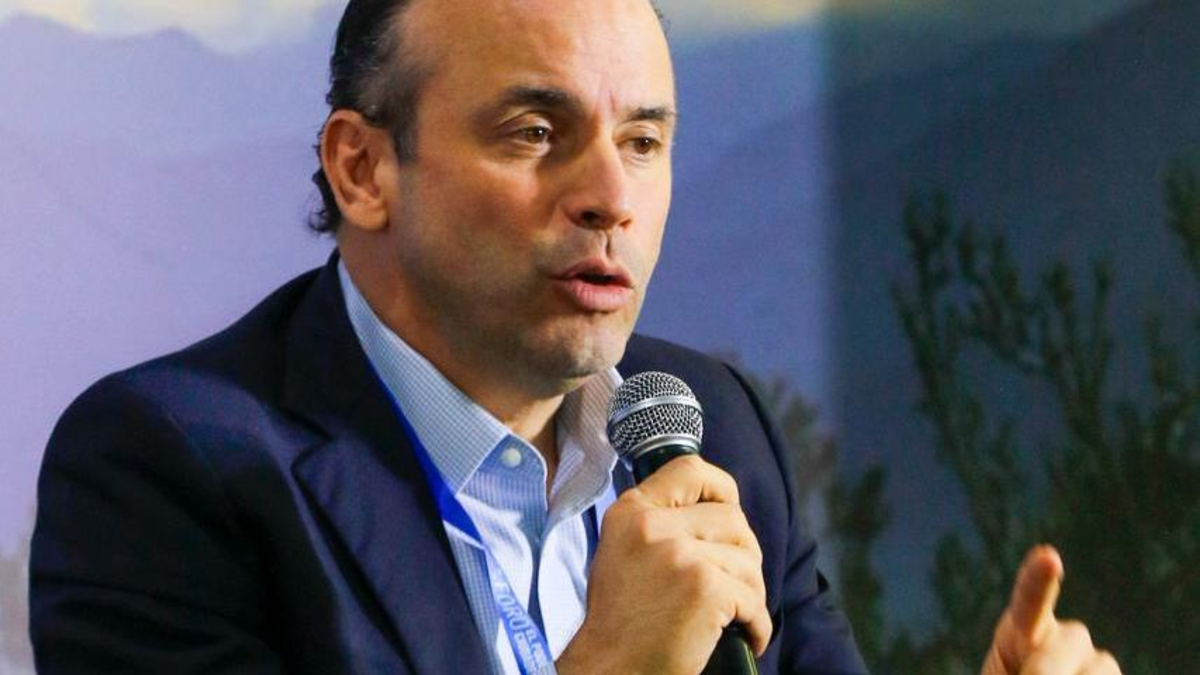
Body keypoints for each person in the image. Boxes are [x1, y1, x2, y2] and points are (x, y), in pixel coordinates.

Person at [29, 1, 1122, 673]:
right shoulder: (168, 470)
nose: (611, 196)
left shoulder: (713, 426)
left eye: (643, 142)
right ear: (363, 170)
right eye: (534, 131)